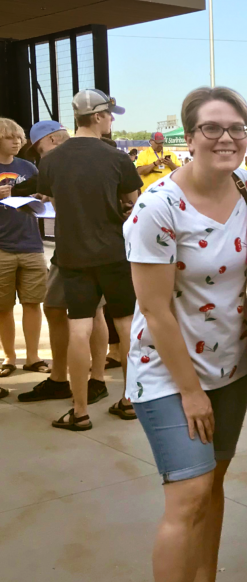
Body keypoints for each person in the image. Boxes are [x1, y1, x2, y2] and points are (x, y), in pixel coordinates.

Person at [125, 86, 247, 582]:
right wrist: (189, 390)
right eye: (212, 127)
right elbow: (155, 311)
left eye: (236, 126)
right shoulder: (158, 207)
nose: (226, 137)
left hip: (233, 368)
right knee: (188, 496)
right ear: (188, 134)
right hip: (169, 373)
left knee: (215, 485)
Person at [38, 89, 142, 430]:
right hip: (113, 251)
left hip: (72, 254)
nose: (112, 120)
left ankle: (79, 411)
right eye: (110, 115)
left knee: (78, 327)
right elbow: (134, 201)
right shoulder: (117, 157)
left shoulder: (51, 159)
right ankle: (129, 400)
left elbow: (54, 197)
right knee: (126, 325)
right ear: (97, 116)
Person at [14, 121, 111, 407]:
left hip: (93, 249)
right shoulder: (66, 163)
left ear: (53, 141)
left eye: (39, 148)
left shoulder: (79, 159)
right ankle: (60, 379)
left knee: (93, 313)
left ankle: (97, 379)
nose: (39, 156)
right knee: (55, 307)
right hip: (69, 248)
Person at [0, 118, 48, 377]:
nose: (17, 141)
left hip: (31, 245)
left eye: (19, 137)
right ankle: (8, 357)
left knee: (33, 303)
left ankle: (33, 356)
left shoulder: (29, 167)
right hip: (2, 248)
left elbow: (45, 193)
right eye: (10, 137)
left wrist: (40, 197)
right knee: (3, 307)